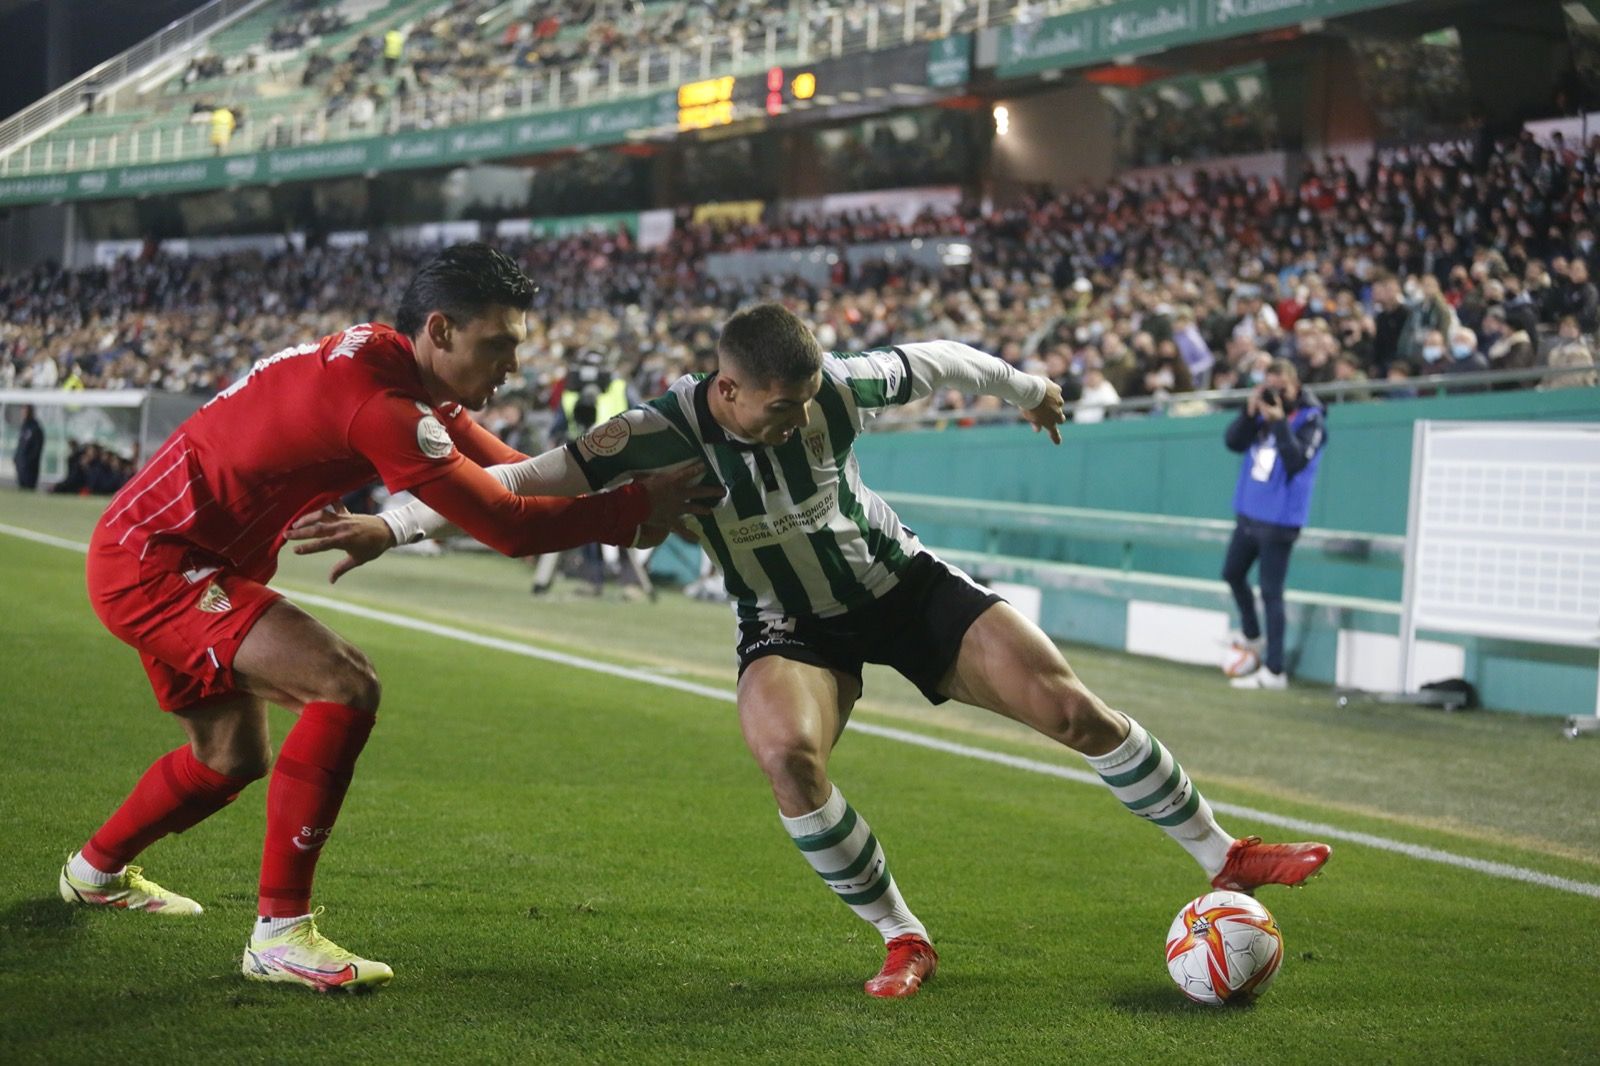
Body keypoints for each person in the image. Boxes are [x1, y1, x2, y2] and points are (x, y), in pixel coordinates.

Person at [292, 303, 1332, 999]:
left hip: (902, 588)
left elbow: (943, 358)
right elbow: (520, 481)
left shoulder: (833, 385)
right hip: (788, 623)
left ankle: (1220, 853)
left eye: (806, 402)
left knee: (1069, 707)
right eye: (776, 408)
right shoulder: (649, 433)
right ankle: (901, 934)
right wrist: (394, 524)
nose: (795, 421)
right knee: (786, 755)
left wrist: (1028, 390)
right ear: (729, 391)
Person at [57, 243, 715, 993]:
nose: (512, 365)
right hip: (158, 564)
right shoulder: (384, 405)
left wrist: (617, 472)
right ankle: (279, 935)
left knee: (229, 758)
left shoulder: (390, 361)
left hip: (178, 552)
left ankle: (93, 872)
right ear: (440, 329)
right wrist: (631, 510)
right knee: (345, 683)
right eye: (497, 345)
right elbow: (509, 525)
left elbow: (511, 474)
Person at [1220, 359, 1327, 690]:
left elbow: (1296, 461)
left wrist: (1280, 423)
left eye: (1280, 389)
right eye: (1270, 389)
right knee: (1232, 573)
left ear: (1295, 386)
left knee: (1271, 592)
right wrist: (1250, 413)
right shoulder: (1262, 415)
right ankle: (1253, 635)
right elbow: (1233, 442)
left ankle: (1275, 670)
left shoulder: (1312, 420)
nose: (1275, 396)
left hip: (1280, 520)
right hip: (1251, 512)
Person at [13, 403, 43, 490]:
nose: (24, 413)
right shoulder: (24, 426)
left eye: (26, 411)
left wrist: (28, 461)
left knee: (28, 488)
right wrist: (16, 458)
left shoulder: (35, 428)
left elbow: (37, 449)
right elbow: (20, 445)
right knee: (21, 488)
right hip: (20, 465)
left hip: (30, 468)